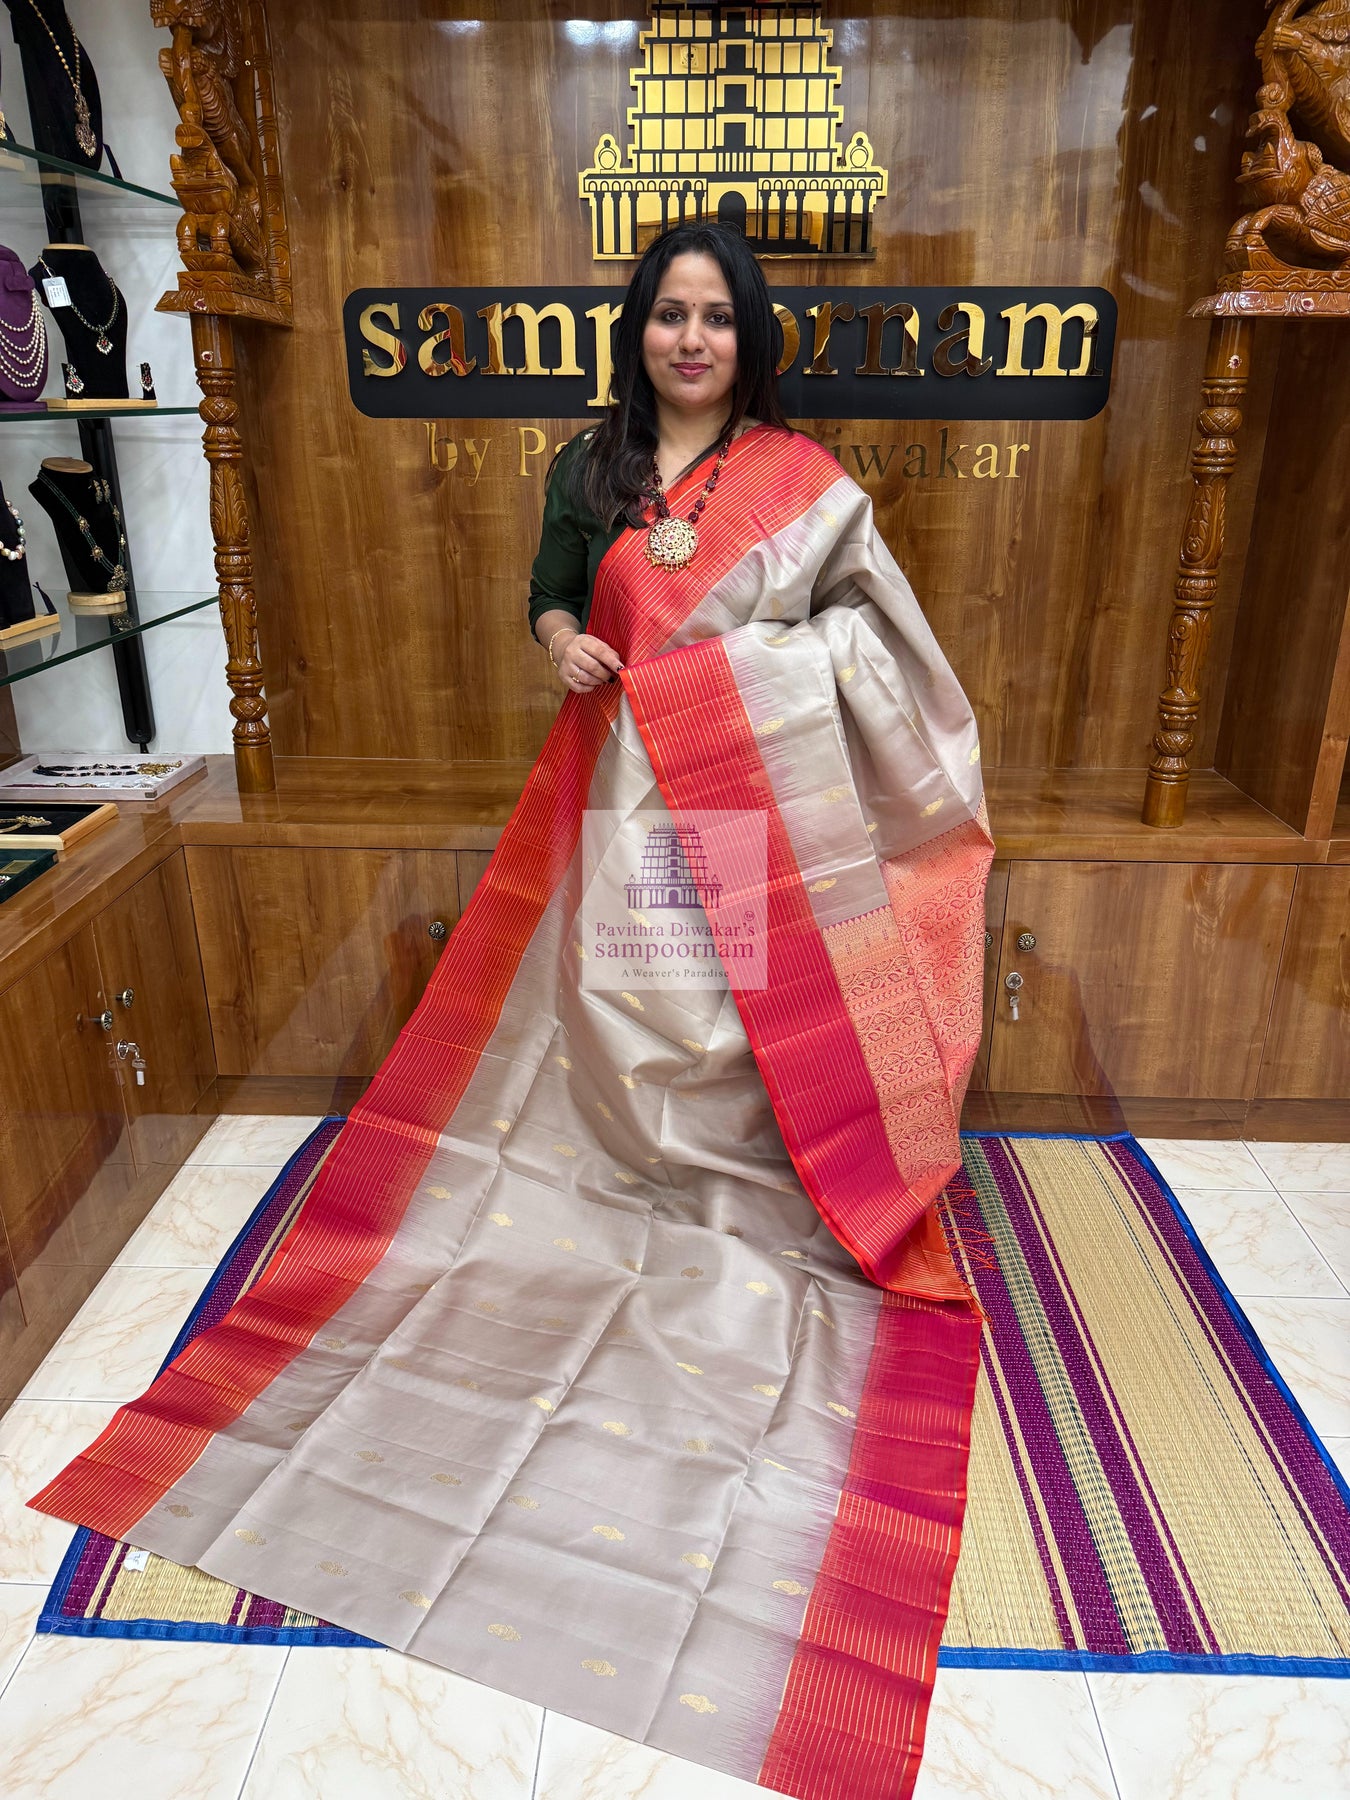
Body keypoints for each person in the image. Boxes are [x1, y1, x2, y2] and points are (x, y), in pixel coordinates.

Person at [31, 223, 995, 1800]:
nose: (692, 338)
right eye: (669, 314)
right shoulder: (589, 469)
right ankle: (622, 1181)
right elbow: (548, 597)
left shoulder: (804, 480)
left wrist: (746, 677)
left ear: (749, 336)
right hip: (618, 794)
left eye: (716, 317)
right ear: (640, 332)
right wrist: (565, 642)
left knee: (739, 1015)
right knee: (622, 1006)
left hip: (751, 798)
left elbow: (878, 647)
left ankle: (740, 1194)